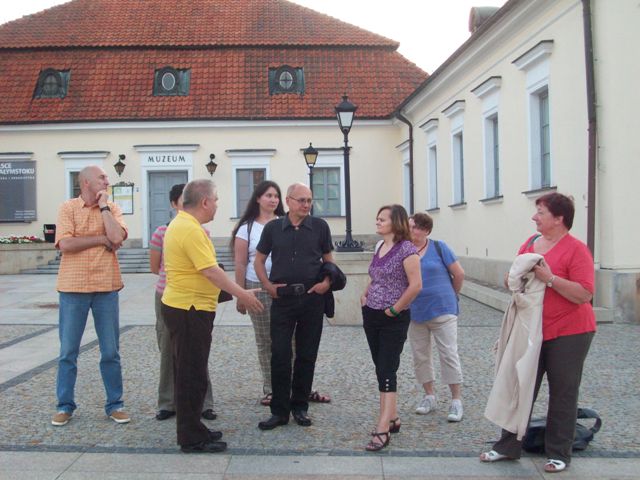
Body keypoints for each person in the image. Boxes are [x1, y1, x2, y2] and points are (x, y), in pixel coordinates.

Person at [480, 193, 596, 473]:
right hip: (531, 328)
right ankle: (507, 447)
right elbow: (514, 276)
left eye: (541, 212)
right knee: (520, 385)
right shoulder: (531, 243)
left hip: (569, 331)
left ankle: (559, 453)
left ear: (559, 218)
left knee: (563, 392)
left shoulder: (576, 249)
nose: (535, 217)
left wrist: (550, 279)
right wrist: (513, 279)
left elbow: (584, 293)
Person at [161, 179, 263, 453]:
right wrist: (242, 294)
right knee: (191, 375)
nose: (217, 204)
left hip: (187, 307)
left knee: (190, 372)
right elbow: (210, 271)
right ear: (205, 201)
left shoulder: (184, 224)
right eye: (216, 200)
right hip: (189, 309)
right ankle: (191, 438)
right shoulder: (189, 229)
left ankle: (194, 427)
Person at [231, 180, 331, 407]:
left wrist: (325, 281)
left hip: (296, 292)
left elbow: (326, 259)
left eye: (275, 195)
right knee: (269, 341)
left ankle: (300, 389)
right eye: (268, 195)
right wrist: (243, 293)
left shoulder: (293, 224)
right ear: (258, 198)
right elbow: (242, 262)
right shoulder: (251, 227)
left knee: (298, 345)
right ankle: (272, 390)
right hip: (261, 287)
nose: (272, 199)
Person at [51, 165, 130, 426]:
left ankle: (115, 404)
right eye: (102, 178)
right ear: (86, 182)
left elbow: (116, 237)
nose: (107, 181)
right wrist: (100, 240)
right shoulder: (68, 208)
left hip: (106, 287)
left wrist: (104, 207)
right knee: (68, 351)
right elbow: (65, 244)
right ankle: (64, 405)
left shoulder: (112, 208)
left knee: (110, 351)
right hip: (73, 289)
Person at [255, 183, 334, 430]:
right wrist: (267, 286)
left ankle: (300, 407)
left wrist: (326, 283)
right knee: (279, 354)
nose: (306, 205)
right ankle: (279, 411)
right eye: (301, 200)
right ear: (288, 201)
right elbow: (258, 260)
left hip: (312, 299)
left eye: (309, 200)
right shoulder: (273, 228)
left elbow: (329, 261)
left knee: (306, 354)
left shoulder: (320, 227)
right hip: (283, 300)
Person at [150, 183, 216, 421]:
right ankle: (168, 402)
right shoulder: (163, 231)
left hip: (193, 299)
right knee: (169, 349)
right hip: (169, 295)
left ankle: (203, 402)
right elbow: (154, 267)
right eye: (180, 200)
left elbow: (207, 266)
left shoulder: (200, 230)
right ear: (174, 203)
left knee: (195, 353)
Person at [360, 204, 421, 451]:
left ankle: (383, 426)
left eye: (382, 219)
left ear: (396, 222)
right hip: (371, 313)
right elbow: (376, 276)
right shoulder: (379, 246)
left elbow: (416, 285)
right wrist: (365, 295)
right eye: (377, 218)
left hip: (393, 318)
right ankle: (393, 417)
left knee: (387, 369)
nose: (377, 222)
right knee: (381, 368)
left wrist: (395, 309)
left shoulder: (407, 249)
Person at [408, 213, 465, 422]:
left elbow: (459, 274)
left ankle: (456, 400)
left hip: (443, 308)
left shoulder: (439, 247)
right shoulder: (404, 250)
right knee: (420, 355)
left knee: (448, 353)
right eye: (409, 226)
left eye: (415, 227)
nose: (410, 230)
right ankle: (429, 396)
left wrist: (452, 294)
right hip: (416, 310)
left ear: (426, 230)